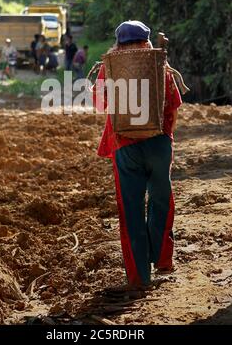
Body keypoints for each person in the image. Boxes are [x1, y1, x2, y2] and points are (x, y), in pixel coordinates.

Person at [92, 21, 182, 290]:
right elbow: (174, 108)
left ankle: (139, 278)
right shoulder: (159, 66)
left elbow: (100, 104)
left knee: (131, 211)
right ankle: (164, 259)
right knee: (161, 200)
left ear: (118, 43)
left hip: (124, 147)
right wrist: (164, 138)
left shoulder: (110, 66)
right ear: (147, 40)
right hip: (159, 144)